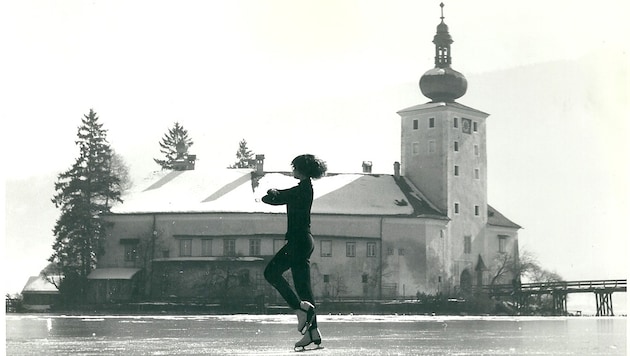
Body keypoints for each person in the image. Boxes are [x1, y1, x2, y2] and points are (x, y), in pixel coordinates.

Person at [262, 154, 327, 350]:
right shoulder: (304, 189)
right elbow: (273, 198)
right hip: (304, 241)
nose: (293, 170)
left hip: (299, 242)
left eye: (295, 167)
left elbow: (274, 198)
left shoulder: (302, 189)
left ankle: (299, 309)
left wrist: (272, 191)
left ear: (303, 170)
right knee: (304, 289)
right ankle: (313, 332)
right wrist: (273, 193)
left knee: (270, 273)